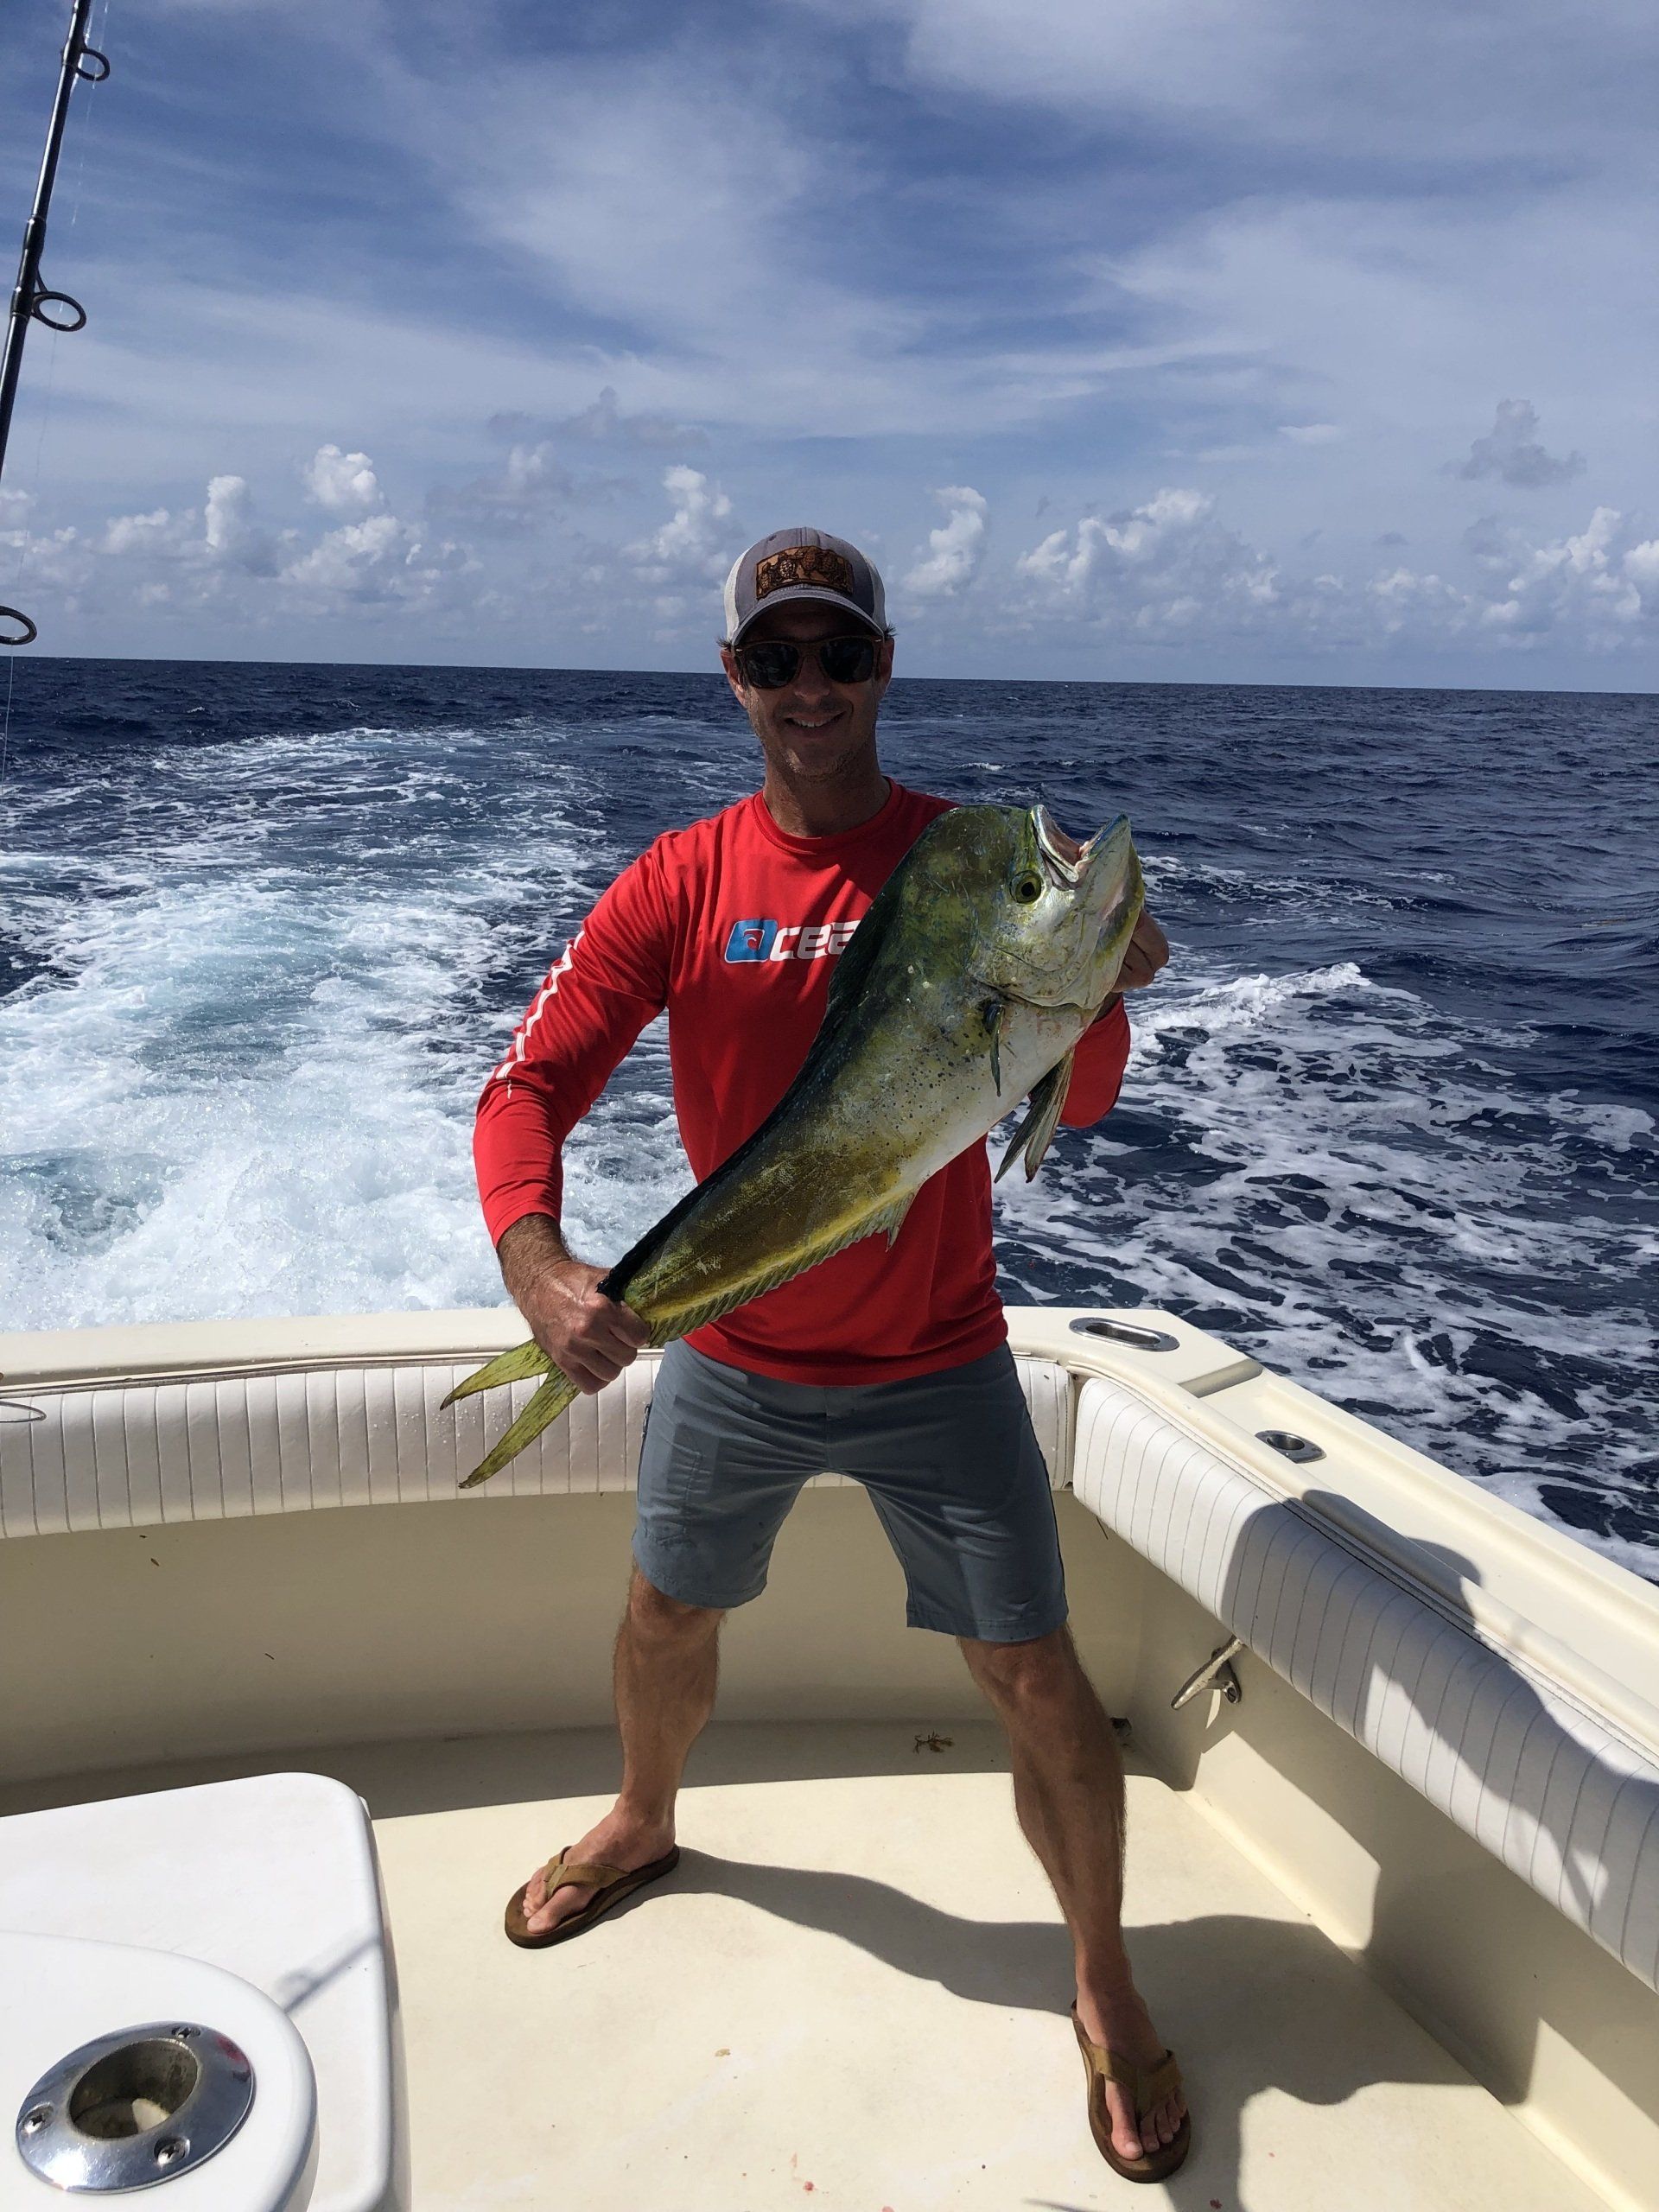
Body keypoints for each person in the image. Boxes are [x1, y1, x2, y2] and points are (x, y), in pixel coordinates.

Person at [471, 528, 1185, 2180]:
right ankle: (645, 1819)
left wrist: (1100, 990)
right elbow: (526, 1086)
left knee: (1034, 1672)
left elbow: (1077, 1103)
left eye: (839, 655)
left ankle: (1102, 1976)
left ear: (884, 668)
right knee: (665, 1613)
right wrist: (539, 1269)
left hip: (940, 1357)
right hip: (736, 1353)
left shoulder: (968, 862)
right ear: (734, 679)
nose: (811, 687)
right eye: (776, 659)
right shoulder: (680, 881)